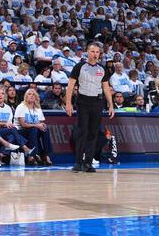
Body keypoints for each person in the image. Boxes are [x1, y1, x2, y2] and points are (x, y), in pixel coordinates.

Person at [65, 42, 115, 173]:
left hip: (97, 102)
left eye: (97, 52)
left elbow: (106, 88)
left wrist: (111, 105)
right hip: (83, 101)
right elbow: (70, 85)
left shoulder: (102, 69)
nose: (95, 54)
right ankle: (78, 162)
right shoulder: (79, 66)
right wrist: (68, 103)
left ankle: (88, 162)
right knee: (82, 132)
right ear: (88, 52)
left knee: (93, 133)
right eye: (92, 51)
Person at [15, 89, 53, 166]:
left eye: (33, 94)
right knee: (34, 129)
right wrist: (37, 125)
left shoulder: (38, 108)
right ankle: (31, 156)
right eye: (29, 94)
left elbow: (40, 123)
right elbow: (23, 124)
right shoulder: (21, 107)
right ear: (26, 97)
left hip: (33, 130)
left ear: (36, 97)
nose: (31, 96)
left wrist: (42, 125)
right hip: (21, 131)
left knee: (45, 129)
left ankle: (46, 155)